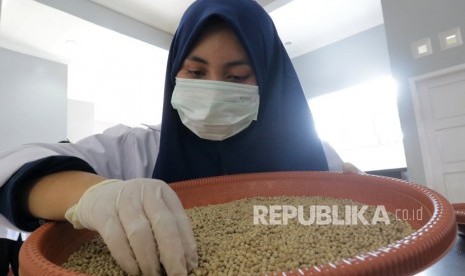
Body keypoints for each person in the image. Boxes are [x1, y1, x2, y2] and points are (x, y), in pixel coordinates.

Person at [0, 0, 353, 275]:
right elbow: (13, 167)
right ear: (175, 75)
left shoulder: (315, 158)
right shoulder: (138, 150)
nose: (212, 90)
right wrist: (97, 194)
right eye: (196, 72)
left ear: (269, 81)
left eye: (237, 77)